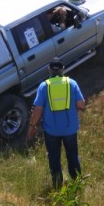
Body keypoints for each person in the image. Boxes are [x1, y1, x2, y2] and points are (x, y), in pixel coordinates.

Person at [28, 57, 85, 189]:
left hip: (51, 132)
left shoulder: (44, 86)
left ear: (49, 70)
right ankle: (77, 186)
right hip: (70, 130)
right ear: (62, 69)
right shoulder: (72, 83)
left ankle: (58, 187)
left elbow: (37, 109)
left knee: (54, 159)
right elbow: (81, 104)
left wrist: (32, 126)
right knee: (73, 157)